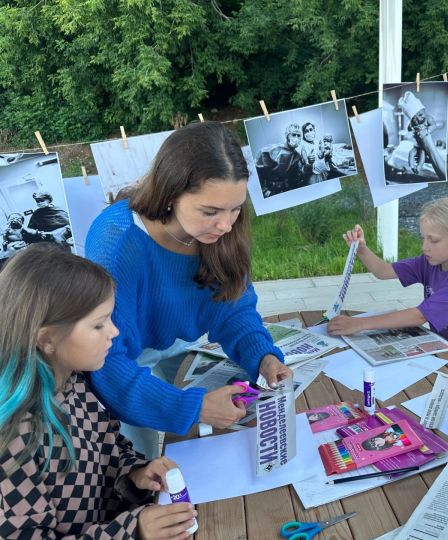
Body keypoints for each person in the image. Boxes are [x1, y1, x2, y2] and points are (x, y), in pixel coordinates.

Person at [86, 122, 292, 458]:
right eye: (210, 211)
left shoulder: (221, 231)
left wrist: (263, 357)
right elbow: (106, 363)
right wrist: (192, 408)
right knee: (147, 468)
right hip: (121, 368)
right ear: (170, 195)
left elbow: (233, 308)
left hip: (179, 353)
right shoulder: (117, 244)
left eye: (236, 208)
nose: (226, 225)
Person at [0, 245, 197, 538]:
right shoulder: (15, 438)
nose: (114, 332)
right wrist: (133, 531)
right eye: (98, 324)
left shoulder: (75, 382)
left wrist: (136, 474)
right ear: (46, 339)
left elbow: (111, 449)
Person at [328, 197, 448, 371]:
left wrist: (359, 324)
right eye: (423, 238)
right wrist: (362, 249)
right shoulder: (430, 262)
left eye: (433, 240)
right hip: (447, 356)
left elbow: (419, 316)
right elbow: (383, 271)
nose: (425, 247)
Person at [255, 123, 310, 196]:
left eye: (299, 135)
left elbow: (297, 178)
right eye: (293, 135)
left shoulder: (297, 156)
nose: (296, 138)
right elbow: (257, 174)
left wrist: (308, 162)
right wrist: (265, 192)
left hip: (285, 191)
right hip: (269, 191)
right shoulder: (271, 151)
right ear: (287, 136)